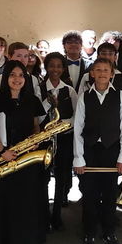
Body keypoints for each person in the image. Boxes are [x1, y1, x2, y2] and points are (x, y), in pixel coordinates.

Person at [0, 60, 47, 244]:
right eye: (12, 75)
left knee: (24, 201)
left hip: (26, 158)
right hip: (3, 157)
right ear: (5, 77)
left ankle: (22, 243)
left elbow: (36, 126)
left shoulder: (32, 99)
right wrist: (2, 151)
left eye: (21, 75)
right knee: (2, 201)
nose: (17, 79)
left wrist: (34, 142)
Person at [73, 58, 122, 244]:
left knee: (109, 194)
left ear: (112, 74)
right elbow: (77, 129)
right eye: (98, 70)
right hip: (90, 151)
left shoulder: (121, 96)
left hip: (111, 151)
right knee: (89, 194)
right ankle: (89, 231)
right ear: (92, 73)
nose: (102, 73)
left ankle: (109, 231)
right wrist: (78, 158)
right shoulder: (84, 97)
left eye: (106, 70)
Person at [41, 53, 79, 230]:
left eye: (58, 66)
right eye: (51, 66)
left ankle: (57, 215)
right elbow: (37, 114)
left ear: (63, 69)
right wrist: (49, 103)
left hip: (64, 138)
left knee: (62, 175)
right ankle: (43, 214)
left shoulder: (69, 90)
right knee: (43, 177)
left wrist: (61, 125)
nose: (55, 69)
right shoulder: (39, 88)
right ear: (46, 67)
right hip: (44, 140)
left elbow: (77, 116)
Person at [76, 43, 122, 111]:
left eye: (110, 54)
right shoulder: (87, 76)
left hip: (117, 118)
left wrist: (118, 112)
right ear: (98, 56)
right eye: (104, 54)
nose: (107, 57)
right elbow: (80, 99)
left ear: (115, 57)